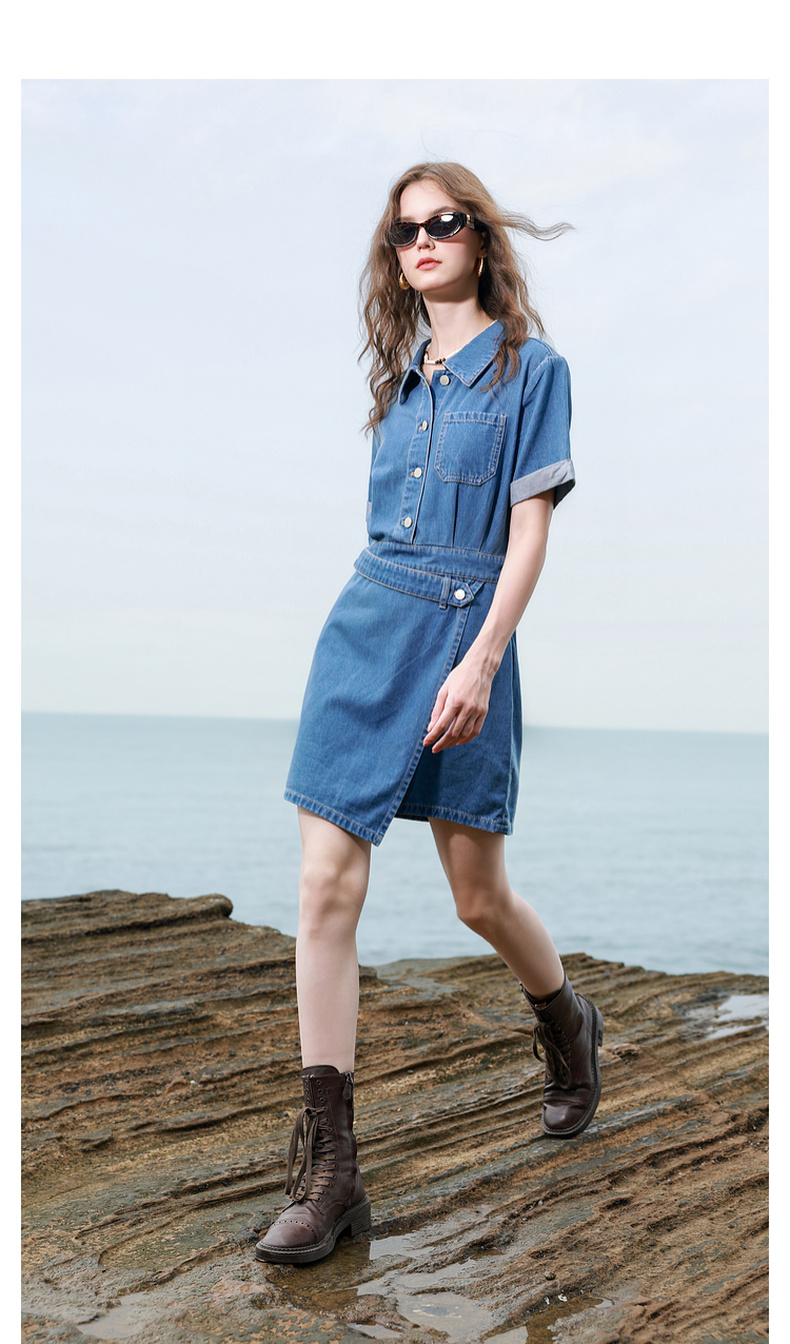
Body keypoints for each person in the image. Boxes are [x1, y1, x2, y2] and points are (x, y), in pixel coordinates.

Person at [255, 162, 603, 1267]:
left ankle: (567, 1022)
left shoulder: (532, 369)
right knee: (323, 885)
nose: (422, 240)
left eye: (443, 222)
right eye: (404, 230)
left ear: (479, 237)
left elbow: (528, 534)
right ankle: (331, 1173)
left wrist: (482, 660)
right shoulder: (398, 381)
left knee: (475, 896)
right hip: (366, 628)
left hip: (466, 634)